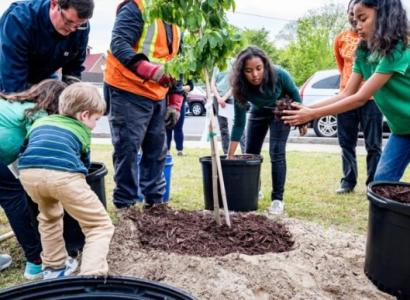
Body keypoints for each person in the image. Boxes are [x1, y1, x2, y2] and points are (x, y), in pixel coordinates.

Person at [0, 0, 94, 278]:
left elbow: (73, 73)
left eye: (79, 26)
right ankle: (37, 259)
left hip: (40, 98)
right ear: (55, 5)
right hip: (13, 94)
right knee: (15, 190)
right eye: (68, 23)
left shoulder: (78, 27)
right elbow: (12, 85)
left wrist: (73, 111)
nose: (72, 30)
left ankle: (64, 244)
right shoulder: (21, 19)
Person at [283, 0, 410, 183]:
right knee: (382, 183)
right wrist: (306, 110)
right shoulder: (363, 52)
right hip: (402, 131)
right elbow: (346, 93)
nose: (357, 26)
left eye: (362, 18)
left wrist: (312, 114)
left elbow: (361, 98)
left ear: (384, 16)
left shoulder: (398, 50)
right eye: (354, 20)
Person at [18, 82, 114, 279]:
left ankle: (54, 268)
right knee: (99, 225)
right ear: (84, 115)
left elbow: (25, 149)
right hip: (63, 175)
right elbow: (84, 165)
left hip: (28, 174)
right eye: (95, 119)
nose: (95, 125)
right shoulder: (81, 130)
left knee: (48, 217)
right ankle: (91, 276)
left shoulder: (41, 122)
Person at [104, 0, 183, 209]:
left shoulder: (177, 17)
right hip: (127, 88)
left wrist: (175, 101)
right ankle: (126, 206)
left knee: (157, 151)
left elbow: (180, 61)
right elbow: (119, 43)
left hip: (158, 93)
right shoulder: (137, 7)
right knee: (127, 149)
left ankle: (155, 204)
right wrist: (151, 71)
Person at [0, 79, 66, 279]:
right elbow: (40, 148)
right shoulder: (37, 113)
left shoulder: (15, 104)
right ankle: (35, 261)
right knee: (14, 200)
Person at [228, 46, 306, 215]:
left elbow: (296, 95)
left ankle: (277, 199)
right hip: (258, 112)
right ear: (242, 73)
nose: (255, 75)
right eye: (249, 71)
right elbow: (239, 123)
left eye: (258, 69)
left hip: (280, 110)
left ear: (265, 66)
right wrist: (230, 155)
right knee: (250, 153)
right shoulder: (240, 88)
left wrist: (302, 121)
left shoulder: (280, 74)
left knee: (276, 153)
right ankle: (254, 190)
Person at [333, 0, 383, 194]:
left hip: (371, 100)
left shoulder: (377, 39)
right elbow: (341, 66)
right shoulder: (341, 39)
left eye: (361, 15)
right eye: (352, 13)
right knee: (346, 142)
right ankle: (348, 181)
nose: (355, 19)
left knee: (373, 145)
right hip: (346, 98)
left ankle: (373, 183)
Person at [211, 63, 246, 154]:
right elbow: (212, 84)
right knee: (223, 127)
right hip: (218, 99)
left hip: (230, 97)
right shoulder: (216, 65)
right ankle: (226, 152)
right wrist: (219, 98)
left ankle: (245, 151)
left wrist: (224, 98)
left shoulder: (232, 63)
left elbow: (234, 84)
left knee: (238, 123)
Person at [166, 79, 194, 156]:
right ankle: (167, 150)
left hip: (181, 103)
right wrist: (178, 89)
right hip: (168, 101)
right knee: (168, 127)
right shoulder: (168, 70)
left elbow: (191, 86)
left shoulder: (184, 72)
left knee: (179, 127)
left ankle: (180, 150)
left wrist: (181, 88)